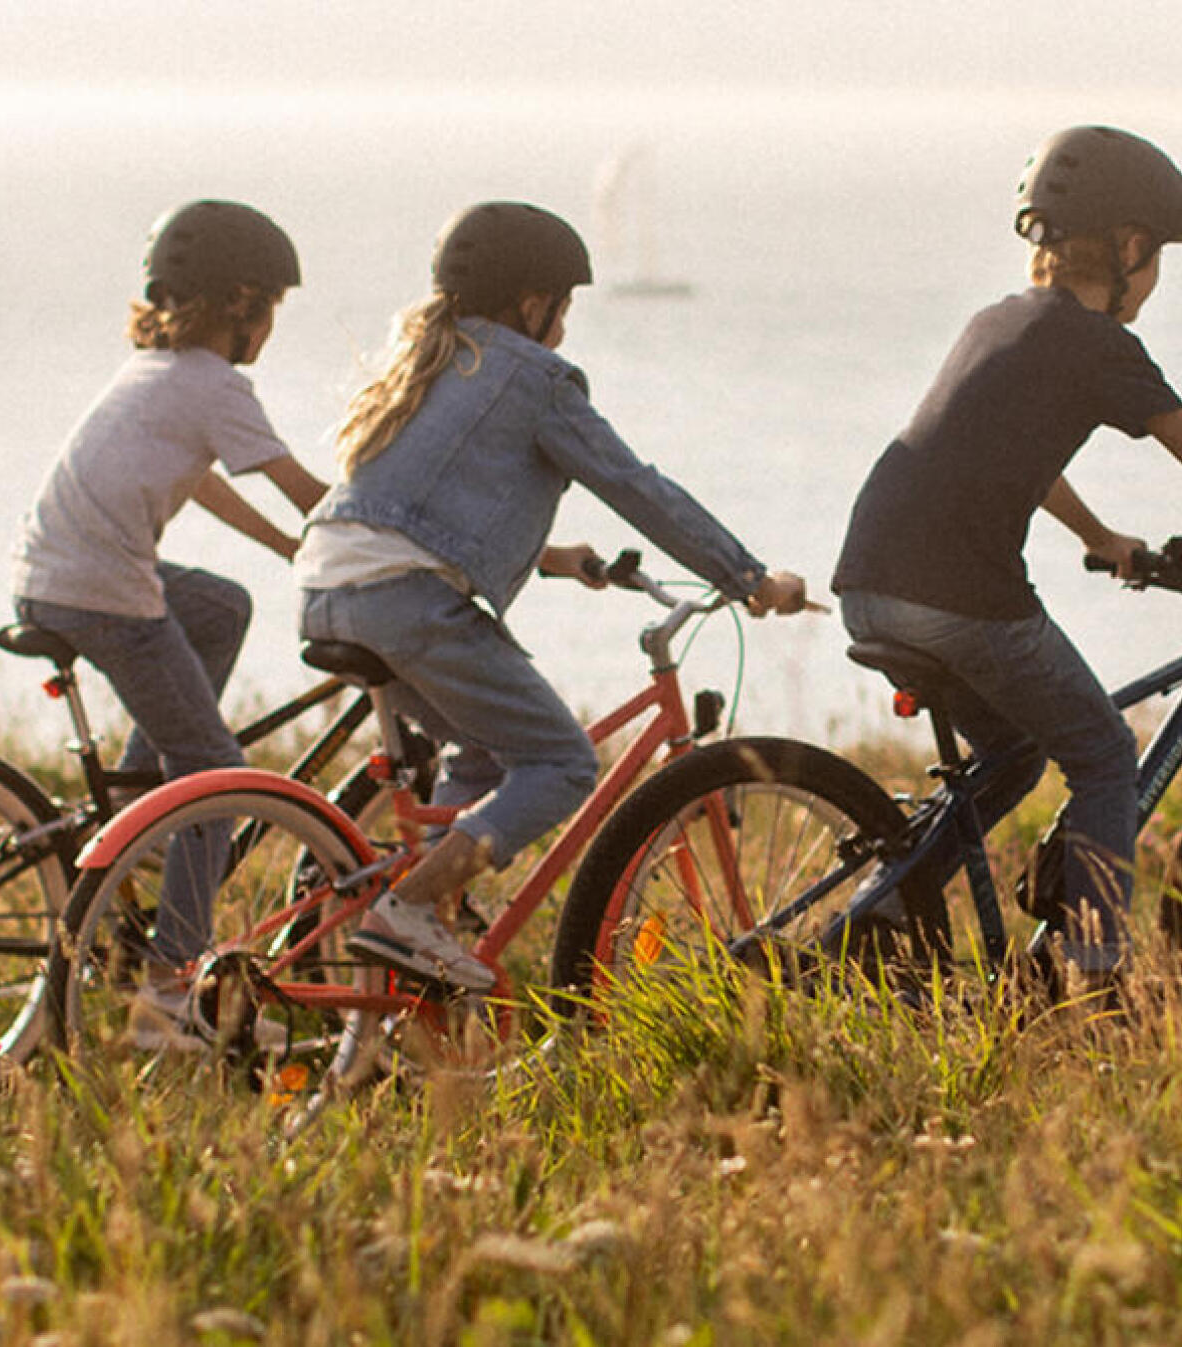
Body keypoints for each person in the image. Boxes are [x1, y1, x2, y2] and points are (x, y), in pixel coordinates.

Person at [831, 126, 1182, 986]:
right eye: (1157, 260)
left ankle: (885, 912)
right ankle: (1097, 979)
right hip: (964, 598)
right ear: (1131, 245)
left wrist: (1098, 537)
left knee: (1016, 751)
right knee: (1106, 754)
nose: (1153, 282)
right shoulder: (1101, 345)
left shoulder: (995, 321)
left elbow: (1003, 454)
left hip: (870, 579)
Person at [297, 201, 807, 990]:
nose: (564, 328)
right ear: (533, 303)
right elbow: (639, 489)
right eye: (563, 308)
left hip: (331, 583)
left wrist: (557, 556)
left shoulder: (433, 357)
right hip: (406, 599)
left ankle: (429, 916)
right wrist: (749, 577)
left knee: (486, 749)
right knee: (563, 762)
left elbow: (430, 502)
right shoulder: (534, 378)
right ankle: (409, 906)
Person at [10, 199, 328, 1019]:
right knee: (218, 782)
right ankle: (171, 980)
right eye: (274, 308)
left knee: (219, 607)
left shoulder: (155, 372)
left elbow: (204, 479)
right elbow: (307, 493)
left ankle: (144, 793)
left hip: (53, 576)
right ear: (241, 304)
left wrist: (293, 553)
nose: (273, 326)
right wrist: (373, 540)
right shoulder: (216, 384)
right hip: (104, 593)